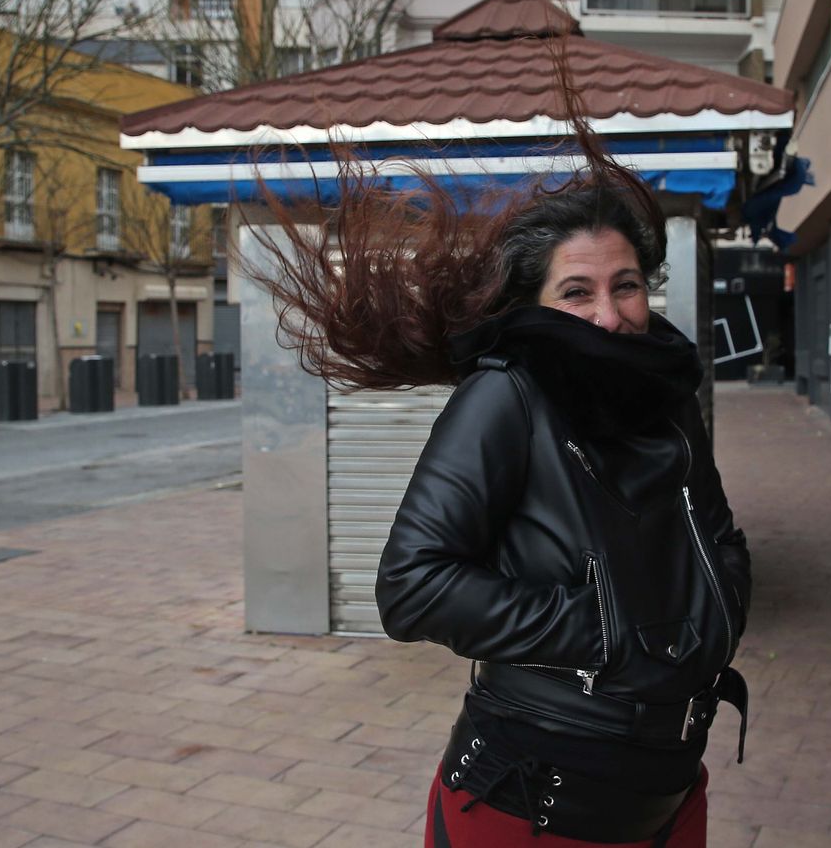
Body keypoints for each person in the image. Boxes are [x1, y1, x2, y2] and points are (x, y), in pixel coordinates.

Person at [258, 132, 751, 846]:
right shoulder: (506, 396)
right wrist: (610, 630)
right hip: (531, 803)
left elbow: (720, 538)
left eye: (627, 285)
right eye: (576, 292)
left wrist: (719, 615)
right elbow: (411, 585)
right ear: (538, 305)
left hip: (669, 795)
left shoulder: (667, 395)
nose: (609, 315)